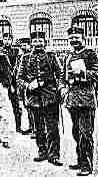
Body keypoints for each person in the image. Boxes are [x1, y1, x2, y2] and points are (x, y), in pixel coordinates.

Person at [59, 27, 98, 176]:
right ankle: (80, 160)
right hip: (72, 99)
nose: (74, 40)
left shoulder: (90, 53)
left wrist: (84, 73)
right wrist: (62, 88)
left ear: (83, 38)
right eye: (71, 38)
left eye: (77, 37)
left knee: (86, 133)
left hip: (86, 99)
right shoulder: (68, 56)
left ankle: (87, 165)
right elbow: (62, 76)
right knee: (76, 132)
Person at [17, 32, 63, 166]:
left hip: (50, 97)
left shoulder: (51, 56)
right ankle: (42, 151)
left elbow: (60, 74)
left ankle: (54, 155)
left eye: (40, 41)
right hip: (34, 98)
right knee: (38, 128)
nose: (38, 44)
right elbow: (19, 78)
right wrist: (28, 85)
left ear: (45, 42)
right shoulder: (25, 58)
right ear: (31, 43)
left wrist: (58, 88)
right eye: (35, 41)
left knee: (52, 128)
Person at [1, 33, 23, 133]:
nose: (7, 41)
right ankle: (3, 129)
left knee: (17, 105)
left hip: (15, 81)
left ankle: (18, 127)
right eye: (5, 39)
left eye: (9, 39)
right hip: (4, 82)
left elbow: (20, 65)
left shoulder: (16, 51)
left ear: (12, 40)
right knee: (2, 107)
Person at [17, 37, 35, 137]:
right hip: (23, 85)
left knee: (32, 108)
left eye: (25, 45)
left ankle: (35, 129)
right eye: (22, 45)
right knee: (27, 107)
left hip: (32, 85)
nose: (23, 47)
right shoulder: (21, 57)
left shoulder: (31, 56)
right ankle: (31, 127)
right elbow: (17, 71)